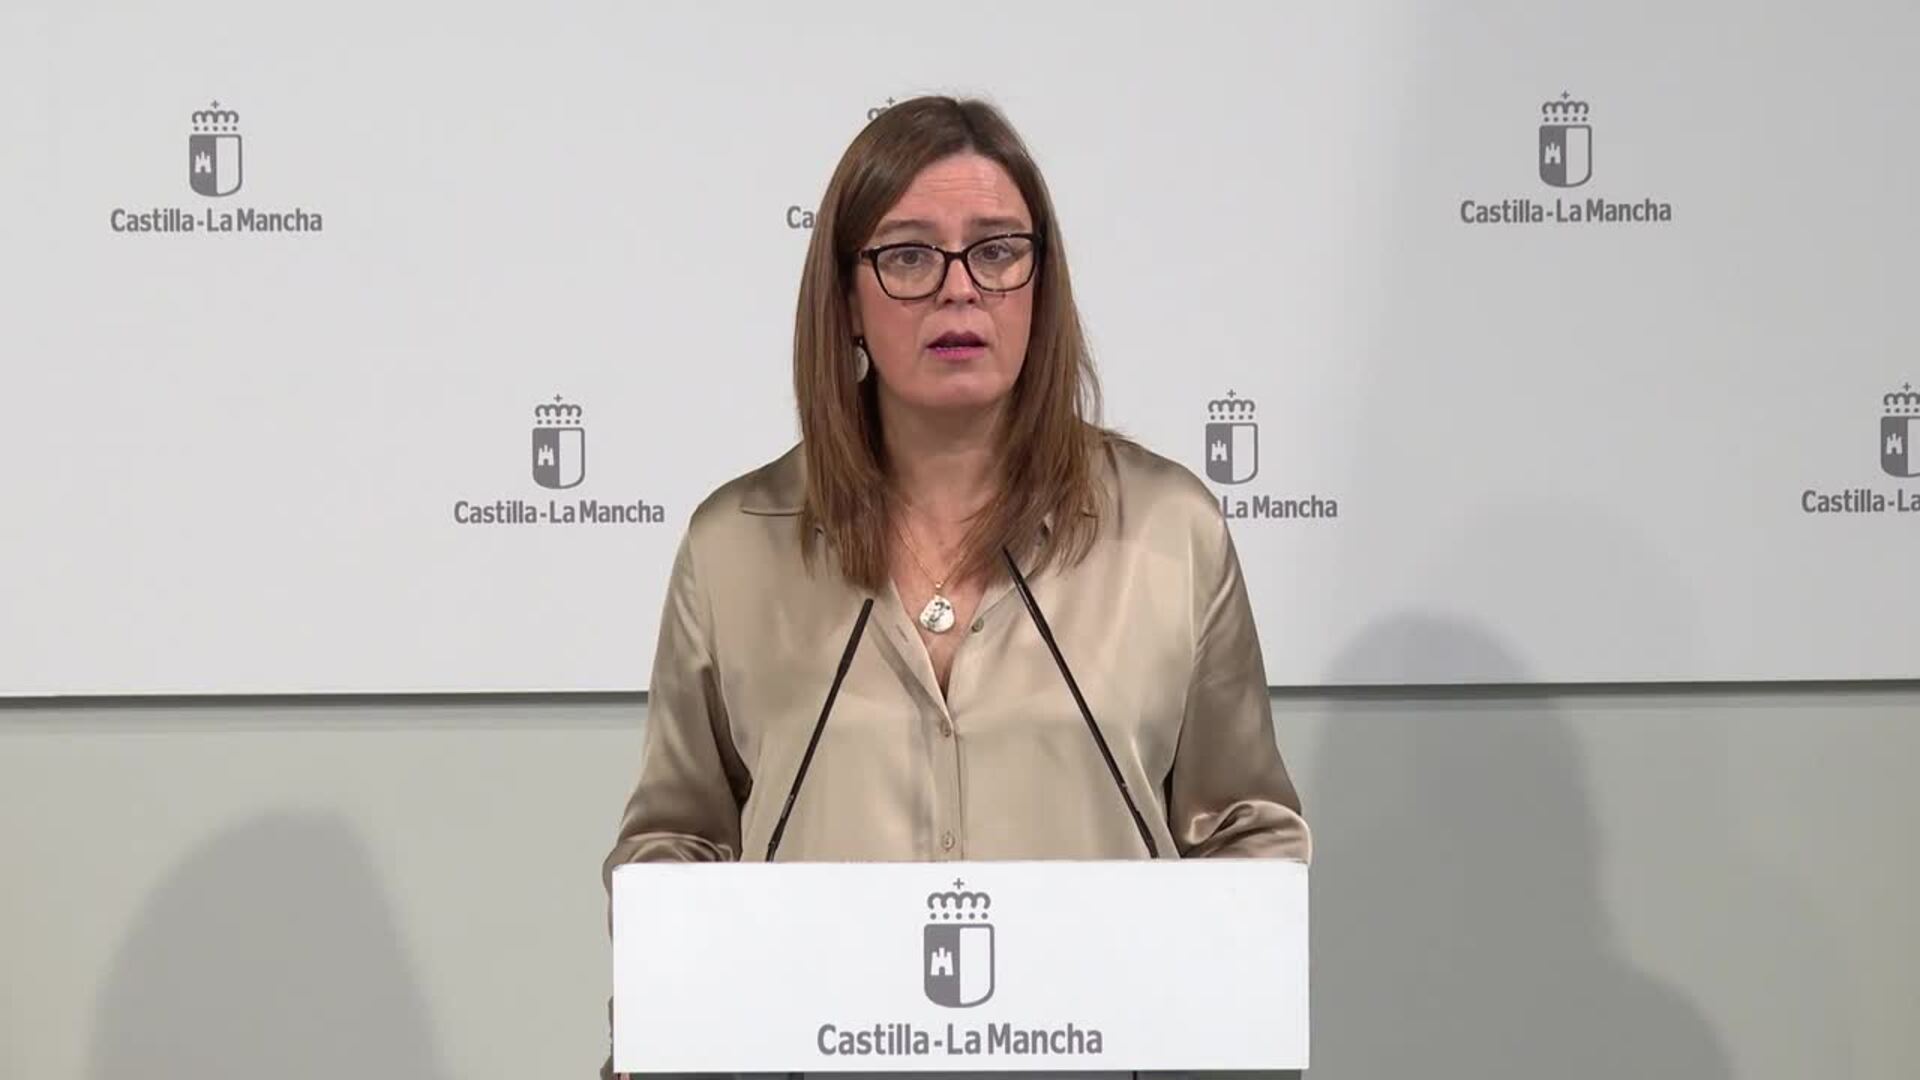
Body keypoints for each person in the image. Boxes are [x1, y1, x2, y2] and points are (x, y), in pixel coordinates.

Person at [604, 91, 1307, 878]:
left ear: (1041, 284)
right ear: (846, 301)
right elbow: (670, 848)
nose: (960, 288)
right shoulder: (733, 546)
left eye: (997, 251)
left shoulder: (1170, 528)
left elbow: (1249, 840)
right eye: (909, 256)